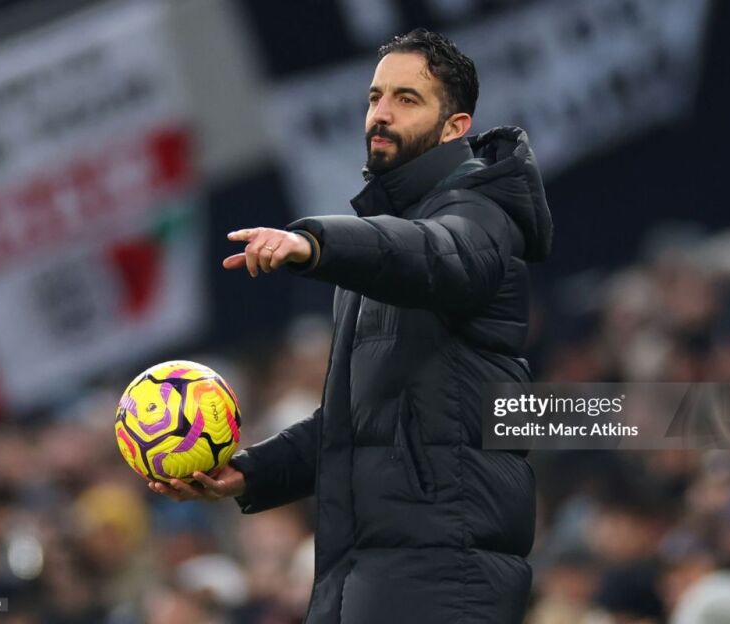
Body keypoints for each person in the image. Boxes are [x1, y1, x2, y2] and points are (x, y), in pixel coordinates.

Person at [151, 28, 553, 623]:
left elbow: (438, 255)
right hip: (366, 568)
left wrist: (316, 242)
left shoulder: (480, 212)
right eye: (375, 97)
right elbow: (353, 425)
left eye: (406, 99)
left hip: (443, 570)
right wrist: (251, 472)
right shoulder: (377, 254)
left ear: (455, 126)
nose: (380, 113)